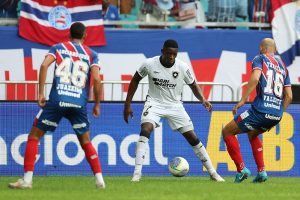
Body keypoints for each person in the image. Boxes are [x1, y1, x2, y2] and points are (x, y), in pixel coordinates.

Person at [8, 22, 105, 189]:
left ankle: (27, 180)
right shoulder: (91, 54)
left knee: (34, 136)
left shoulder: (57, 47)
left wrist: (40, 93)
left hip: (57, 99)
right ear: (85, 36)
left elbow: (44, 65)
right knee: (86, 141)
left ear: (68, 34)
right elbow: (96, 79)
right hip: (78, 103)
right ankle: (100, 180)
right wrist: (97, 104)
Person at [123, 39, 225, 182]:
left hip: (175, 106)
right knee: (145, 130)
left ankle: (213, 173)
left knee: (193, 138)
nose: (171, 56)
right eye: (169, 53)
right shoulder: (149, 64)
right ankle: (137, 174)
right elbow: (135, 80)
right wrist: (127, 104)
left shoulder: (182, 67)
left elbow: (193, 85)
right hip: (154, 103)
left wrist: (203, 100)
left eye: (174, 54)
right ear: (162, 51)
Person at [222, 38, 293, 183]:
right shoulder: (283, 67)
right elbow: (289, 96)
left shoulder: (260, 58)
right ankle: (262, 172)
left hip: (260, 110)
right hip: (276, 114)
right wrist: (278, 113)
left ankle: (241, 170)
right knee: (253, 134)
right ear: (275, 49)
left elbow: (255, 78)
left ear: (262, 48)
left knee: (227, 131)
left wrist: (242, 100)